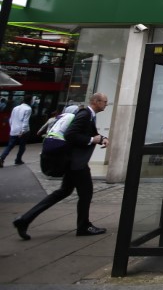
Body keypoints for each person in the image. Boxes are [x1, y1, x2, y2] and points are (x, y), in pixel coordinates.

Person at [12, 93, 110, 240]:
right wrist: (91, 139)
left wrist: (101, 138)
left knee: (63, 191)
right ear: (96, 102)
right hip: (77, 163)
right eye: (104, 102)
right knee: (86, 193)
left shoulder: (88, 115)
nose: (106, 104)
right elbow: (71, 135)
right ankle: (84, 226)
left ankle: (25, 220)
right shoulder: (84, 115)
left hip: (73, 162)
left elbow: (87, 133)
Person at [0, 94, 33, 167]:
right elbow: (25, 121)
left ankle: (1, 158)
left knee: (10, 146)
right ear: (30, 101)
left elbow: (11, 119)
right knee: (22, 146)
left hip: (14, 130)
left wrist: (12, 128)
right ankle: (18, 160)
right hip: (22, 131)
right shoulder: (28, 109)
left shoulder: (15, 108)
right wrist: (23, 131)